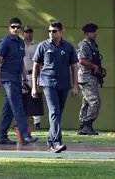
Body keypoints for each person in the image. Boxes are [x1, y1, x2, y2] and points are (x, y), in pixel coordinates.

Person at [32, 21, 79, 153]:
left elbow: (74, 66)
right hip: (48, 83)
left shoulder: (68, 46)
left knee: (58, 114)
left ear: (60, 32)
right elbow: (36, 66)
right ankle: (57, 142)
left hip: (64, 84)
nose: (51, 34)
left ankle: (50, 142)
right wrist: (34, 87)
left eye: (54, 31)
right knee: (54, 112)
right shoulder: (43, 46)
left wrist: (75, 86)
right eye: (50, 31)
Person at [0, 17, 38, 145]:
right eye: (13, 27)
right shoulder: (5, 42)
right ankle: (25, 135)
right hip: (7, 77)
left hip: (17, 78)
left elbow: (21, 62)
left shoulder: (20, 42)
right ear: (9, 28)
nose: (16, 29)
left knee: (9, 108)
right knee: (17, 106)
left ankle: (1, 136)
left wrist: (24, 79)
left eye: (18, 27)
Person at [77, 23, 102, 135]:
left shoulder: (92, 44)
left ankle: (83, 126)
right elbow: (81, 60)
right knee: (95, 101)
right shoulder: (84, 45)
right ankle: (87, 124)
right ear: (87, 33)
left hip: (91, 76)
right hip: (86, 77)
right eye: (93, 32)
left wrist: (100, 69)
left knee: (87, 102)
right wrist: (94, 66)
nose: (95, 34)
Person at [23, 25, 42, 129]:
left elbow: (41, 62)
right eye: (26, 31)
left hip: (33, 73)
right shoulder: (19, 44)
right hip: (21, 74)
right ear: (23, 33)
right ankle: (22, 121)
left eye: (30, 31)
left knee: (34, 97)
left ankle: (37, 122)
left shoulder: (37, 45)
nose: (28, 33)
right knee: (21, 98)